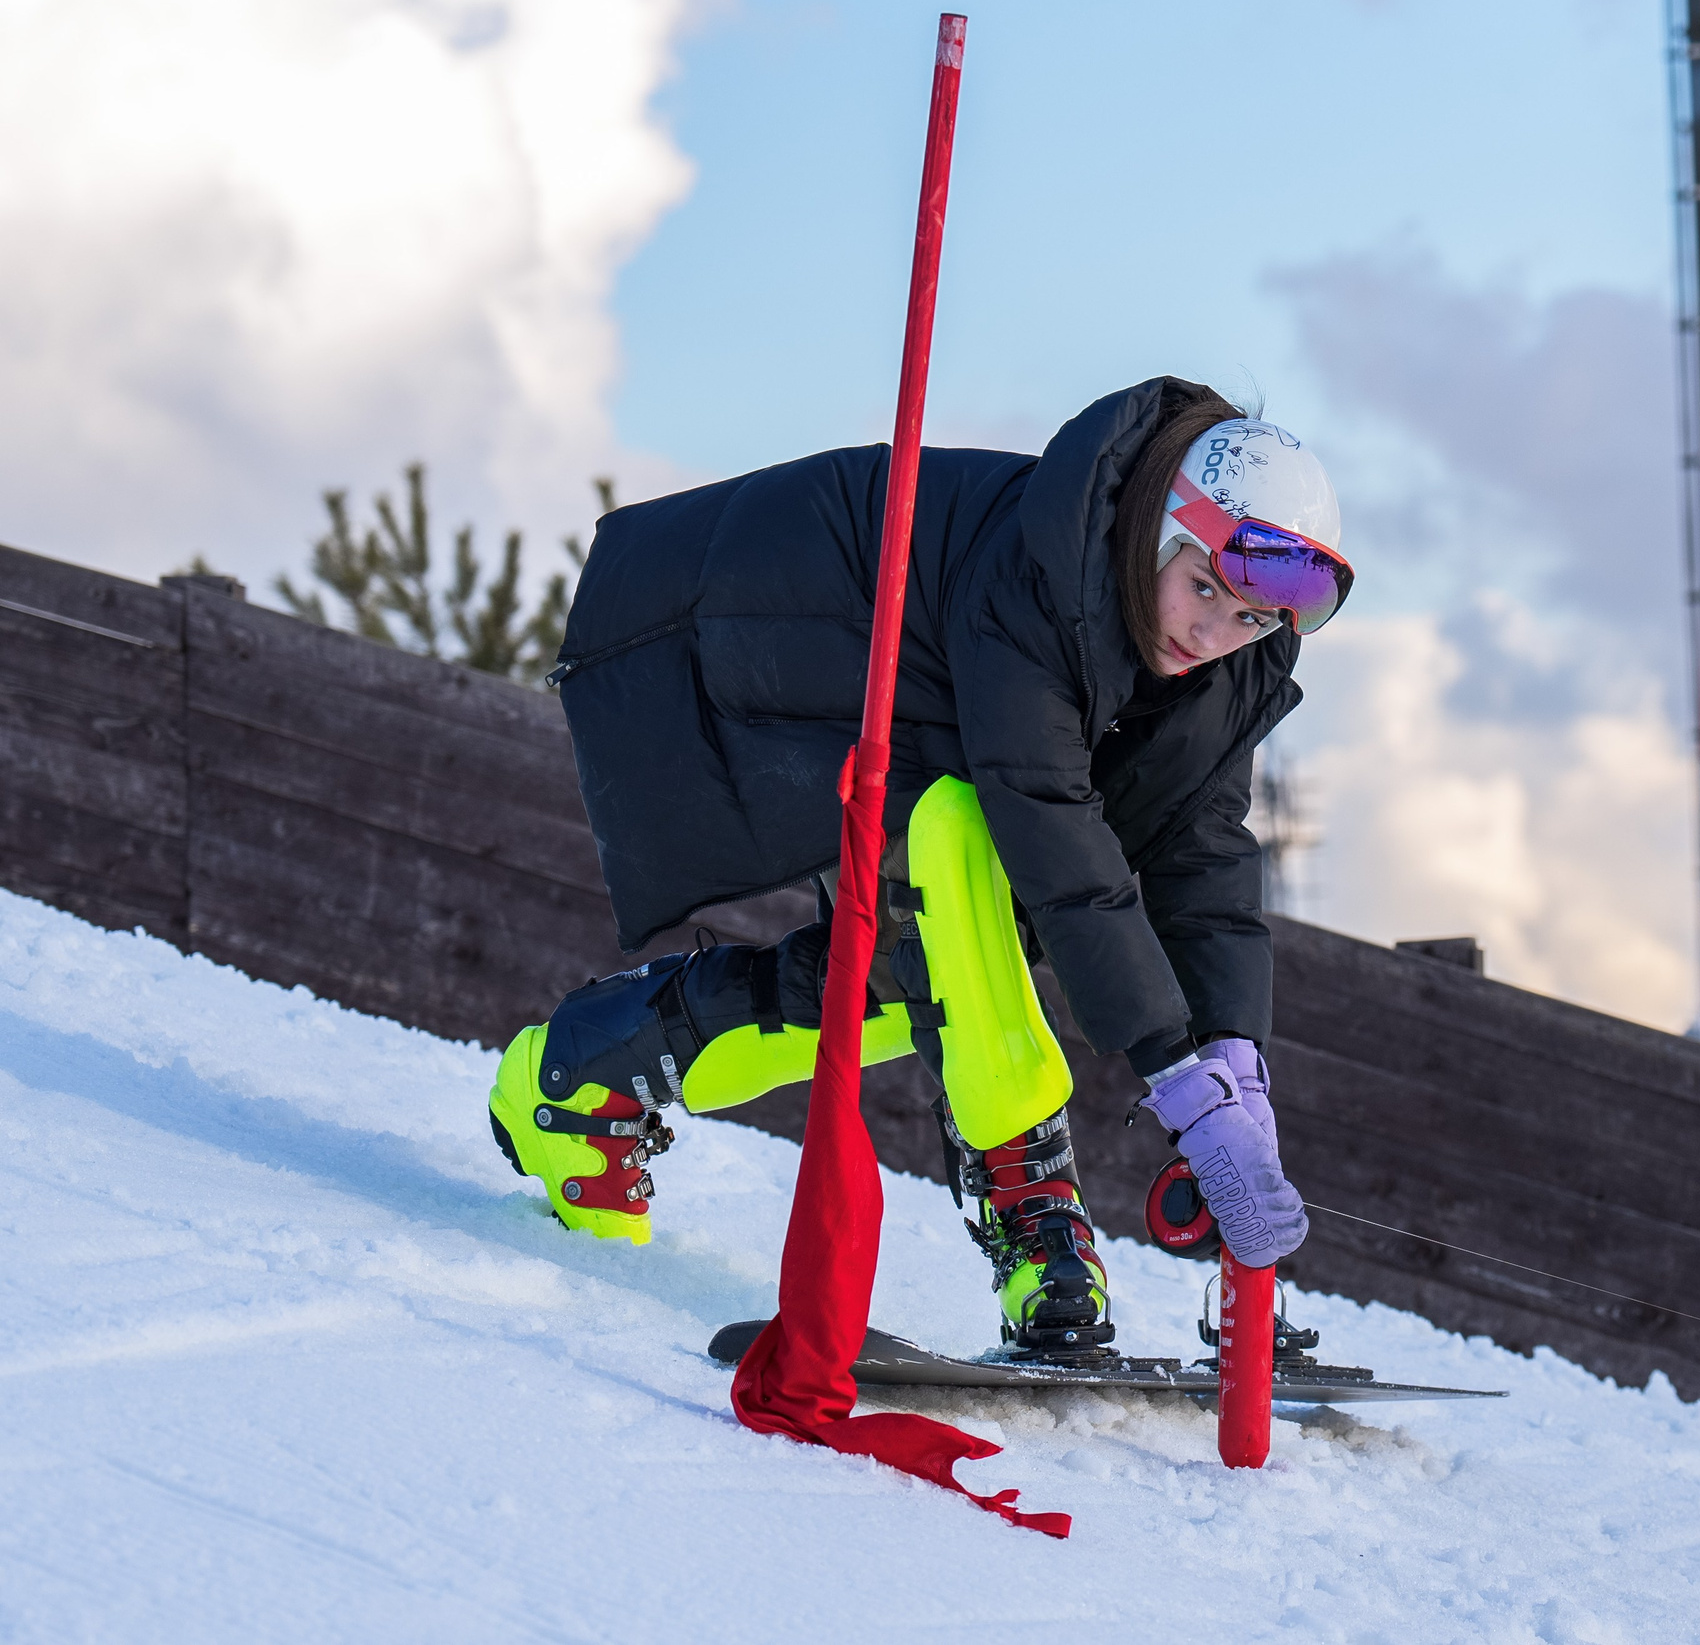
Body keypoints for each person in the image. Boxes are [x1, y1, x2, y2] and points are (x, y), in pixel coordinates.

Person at [483, 378, 1354, 1354]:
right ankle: (1039, 1222)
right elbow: (1050, 821)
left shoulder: (1227, 661)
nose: (1212, 633)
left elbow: (1204, 850)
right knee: (954, 873)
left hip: (925, 703)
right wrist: (1179, 1085)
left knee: (901, 982)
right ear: (1159, 528)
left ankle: (585, 1070)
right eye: (1204, 589)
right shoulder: (1045, 570)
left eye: (1250, 620)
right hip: (776, 636)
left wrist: (1235, 1060)